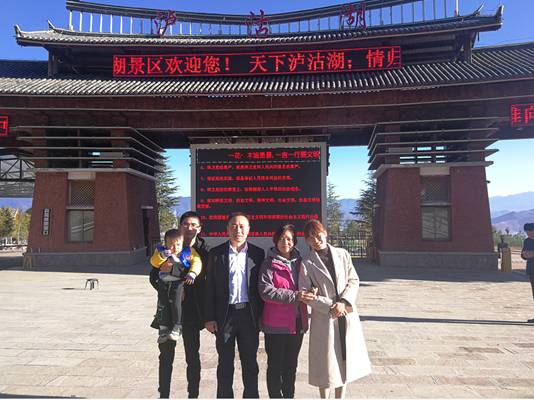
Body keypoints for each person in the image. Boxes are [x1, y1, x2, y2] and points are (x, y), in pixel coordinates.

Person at [298, 219, 371, 399]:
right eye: (311, 237)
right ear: (307, 241)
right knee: (326, 362)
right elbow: (306, 294)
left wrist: (344, 302)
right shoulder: (306, 263)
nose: (316, 240)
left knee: (345, 358)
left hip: (345, 313)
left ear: (325, 233)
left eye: (318, 235)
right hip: (325, 316)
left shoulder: (342, 254)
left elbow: (353, 280)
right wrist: (331, 306)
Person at [204, 212, 265, 398]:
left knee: (250, 362)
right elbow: (209, 287)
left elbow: (260, 288)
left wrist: (262, 317)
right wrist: (209, 317)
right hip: (225, 316)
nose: (238, 230)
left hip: (248, 315)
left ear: (248, 230)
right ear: (227, 229)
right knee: (225, 363)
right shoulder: (216, 254)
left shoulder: (257, 254)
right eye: (234, 226)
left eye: (242, 226)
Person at [150, 211, 210, 399]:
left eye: (194, 225)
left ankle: (193, 395)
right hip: (169, 308)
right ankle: (164, 395)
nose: (189, 228)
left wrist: (184, 287)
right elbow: (153, 277)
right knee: (165, 356)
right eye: (185, 224)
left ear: (199, 228)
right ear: (180, 226)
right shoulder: (167, 248)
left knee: (192, 356)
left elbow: (207, 282)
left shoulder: (204, 251)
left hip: (192, 312)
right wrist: (169, 288)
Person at [258, 224, 309, 398]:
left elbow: (308, 285)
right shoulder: (268, 264)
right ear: (276, 241)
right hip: (275, 324)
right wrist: (295, 296)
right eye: (281, 239)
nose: (285, 242)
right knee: (275, 366)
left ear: (294, 241)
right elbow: (266, 291)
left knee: (291, 365)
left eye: (289, 239)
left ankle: (289, 395)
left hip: (297, 323)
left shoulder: (301, 263)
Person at [150, 230, 202, 343]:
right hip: (163, 282)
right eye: (171, 245)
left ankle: (177, 326)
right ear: (165, 244)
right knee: (162, 304)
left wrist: (192, 273)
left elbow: (197, 262)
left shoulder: (188, 252)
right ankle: (163, 327)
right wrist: (162, 256)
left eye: (178, 244)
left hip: (178, 283)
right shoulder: (161, 251)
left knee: (176, 304)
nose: (175, 248)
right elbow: (154, 262)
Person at [521, 222, 534, 323]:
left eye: (530, 231)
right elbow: (523, 254)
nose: (528, 234)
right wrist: (524, 255)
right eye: (527, 232)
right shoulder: (527, 241)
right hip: (531, 270)